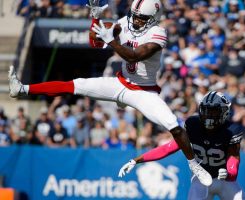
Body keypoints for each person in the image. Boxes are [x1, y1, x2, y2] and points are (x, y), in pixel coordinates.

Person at [8, 0, 210, 185]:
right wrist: (95, 19)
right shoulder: (126, 21)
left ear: (154, 19)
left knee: (174, 126)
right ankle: (23, 88)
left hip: (143, 92)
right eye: (135, 15)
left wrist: (112, 41)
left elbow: (134, 56)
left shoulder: (158, 33)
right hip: (120, 84)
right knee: (75, 84)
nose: (137, 20)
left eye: (142, 17)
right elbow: (94, 42)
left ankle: (194, 164)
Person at [119, 91, 245, 200]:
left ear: (225, 112)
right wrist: (137, 160)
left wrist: (229, 173)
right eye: (206, 111)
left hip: (224, 180)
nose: (209, 116)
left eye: (213, 112)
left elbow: (234, 157)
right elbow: (168, 148)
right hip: (200, 179)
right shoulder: (193, 125)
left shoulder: (231, 130)